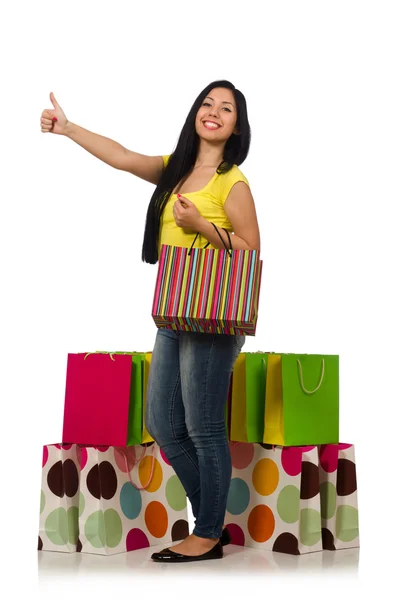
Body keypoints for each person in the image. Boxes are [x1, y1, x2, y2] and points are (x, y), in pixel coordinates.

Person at [40, 79, 261, 563]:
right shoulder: (174, 170)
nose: (214, 112)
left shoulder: (232, 182)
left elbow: (251, 252)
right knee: (162, 421)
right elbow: (121, 156)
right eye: (208, 103)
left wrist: (203, 227)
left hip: (213, 317)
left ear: (236, 126)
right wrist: (69, 128)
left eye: (226, 109)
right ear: (196, 113)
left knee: (203, 428)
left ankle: (205, 535)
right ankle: (212, 523)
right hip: (174, 310)